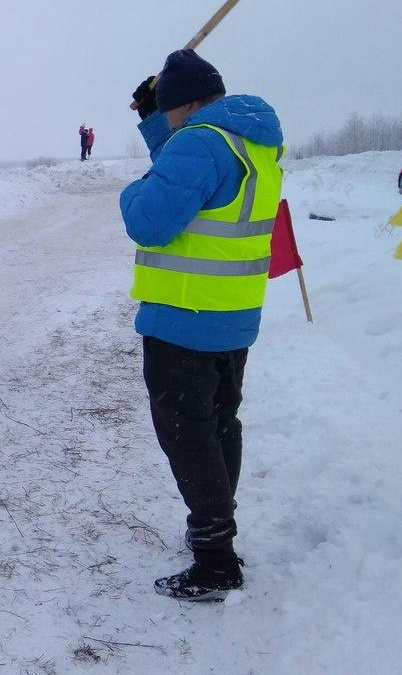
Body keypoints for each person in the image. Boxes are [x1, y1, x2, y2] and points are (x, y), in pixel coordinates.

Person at [121, 49, 284, 602]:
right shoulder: (250, 142)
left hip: (184, 320)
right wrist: (154, 119)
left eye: (166, 111)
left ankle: (215, 560)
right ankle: (212, 530)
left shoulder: (198, 143)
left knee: (187, 436)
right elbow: (192, 177)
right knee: (217, 427)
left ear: (186, 105)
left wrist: (131, 188)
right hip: (231, 316)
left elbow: (148, 220)